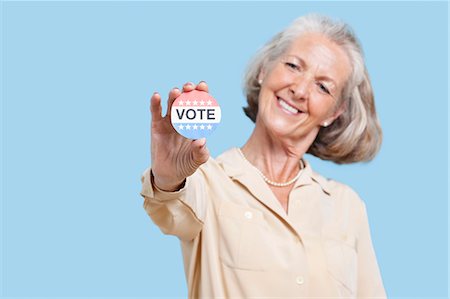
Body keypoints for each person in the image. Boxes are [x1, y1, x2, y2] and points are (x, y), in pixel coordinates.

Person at [140, 14, 387, 298]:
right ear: (263, 70)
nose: (300, 89)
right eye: (293, 66)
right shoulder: (206, 182)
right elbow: (170, 208)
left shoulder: (347, 206)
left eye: (323, 86)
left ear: (335, 113)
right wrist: (168, 178)